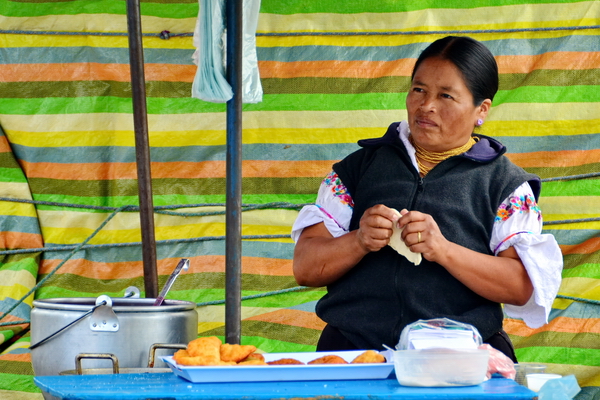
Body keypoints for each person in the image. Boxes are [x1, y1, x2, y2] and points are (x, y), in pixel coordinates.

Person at [291, 36, 563, 362]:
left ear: (482, 110)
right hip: (353, 356)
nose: (426, 105)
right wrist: (359, 240)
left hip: (461, 364)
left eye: (446, 95)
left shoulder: (505, 185)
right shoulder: (358, 169)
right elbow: (305, 268)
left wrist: (443, 249)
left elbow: (520, 286)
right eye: (419, 89)